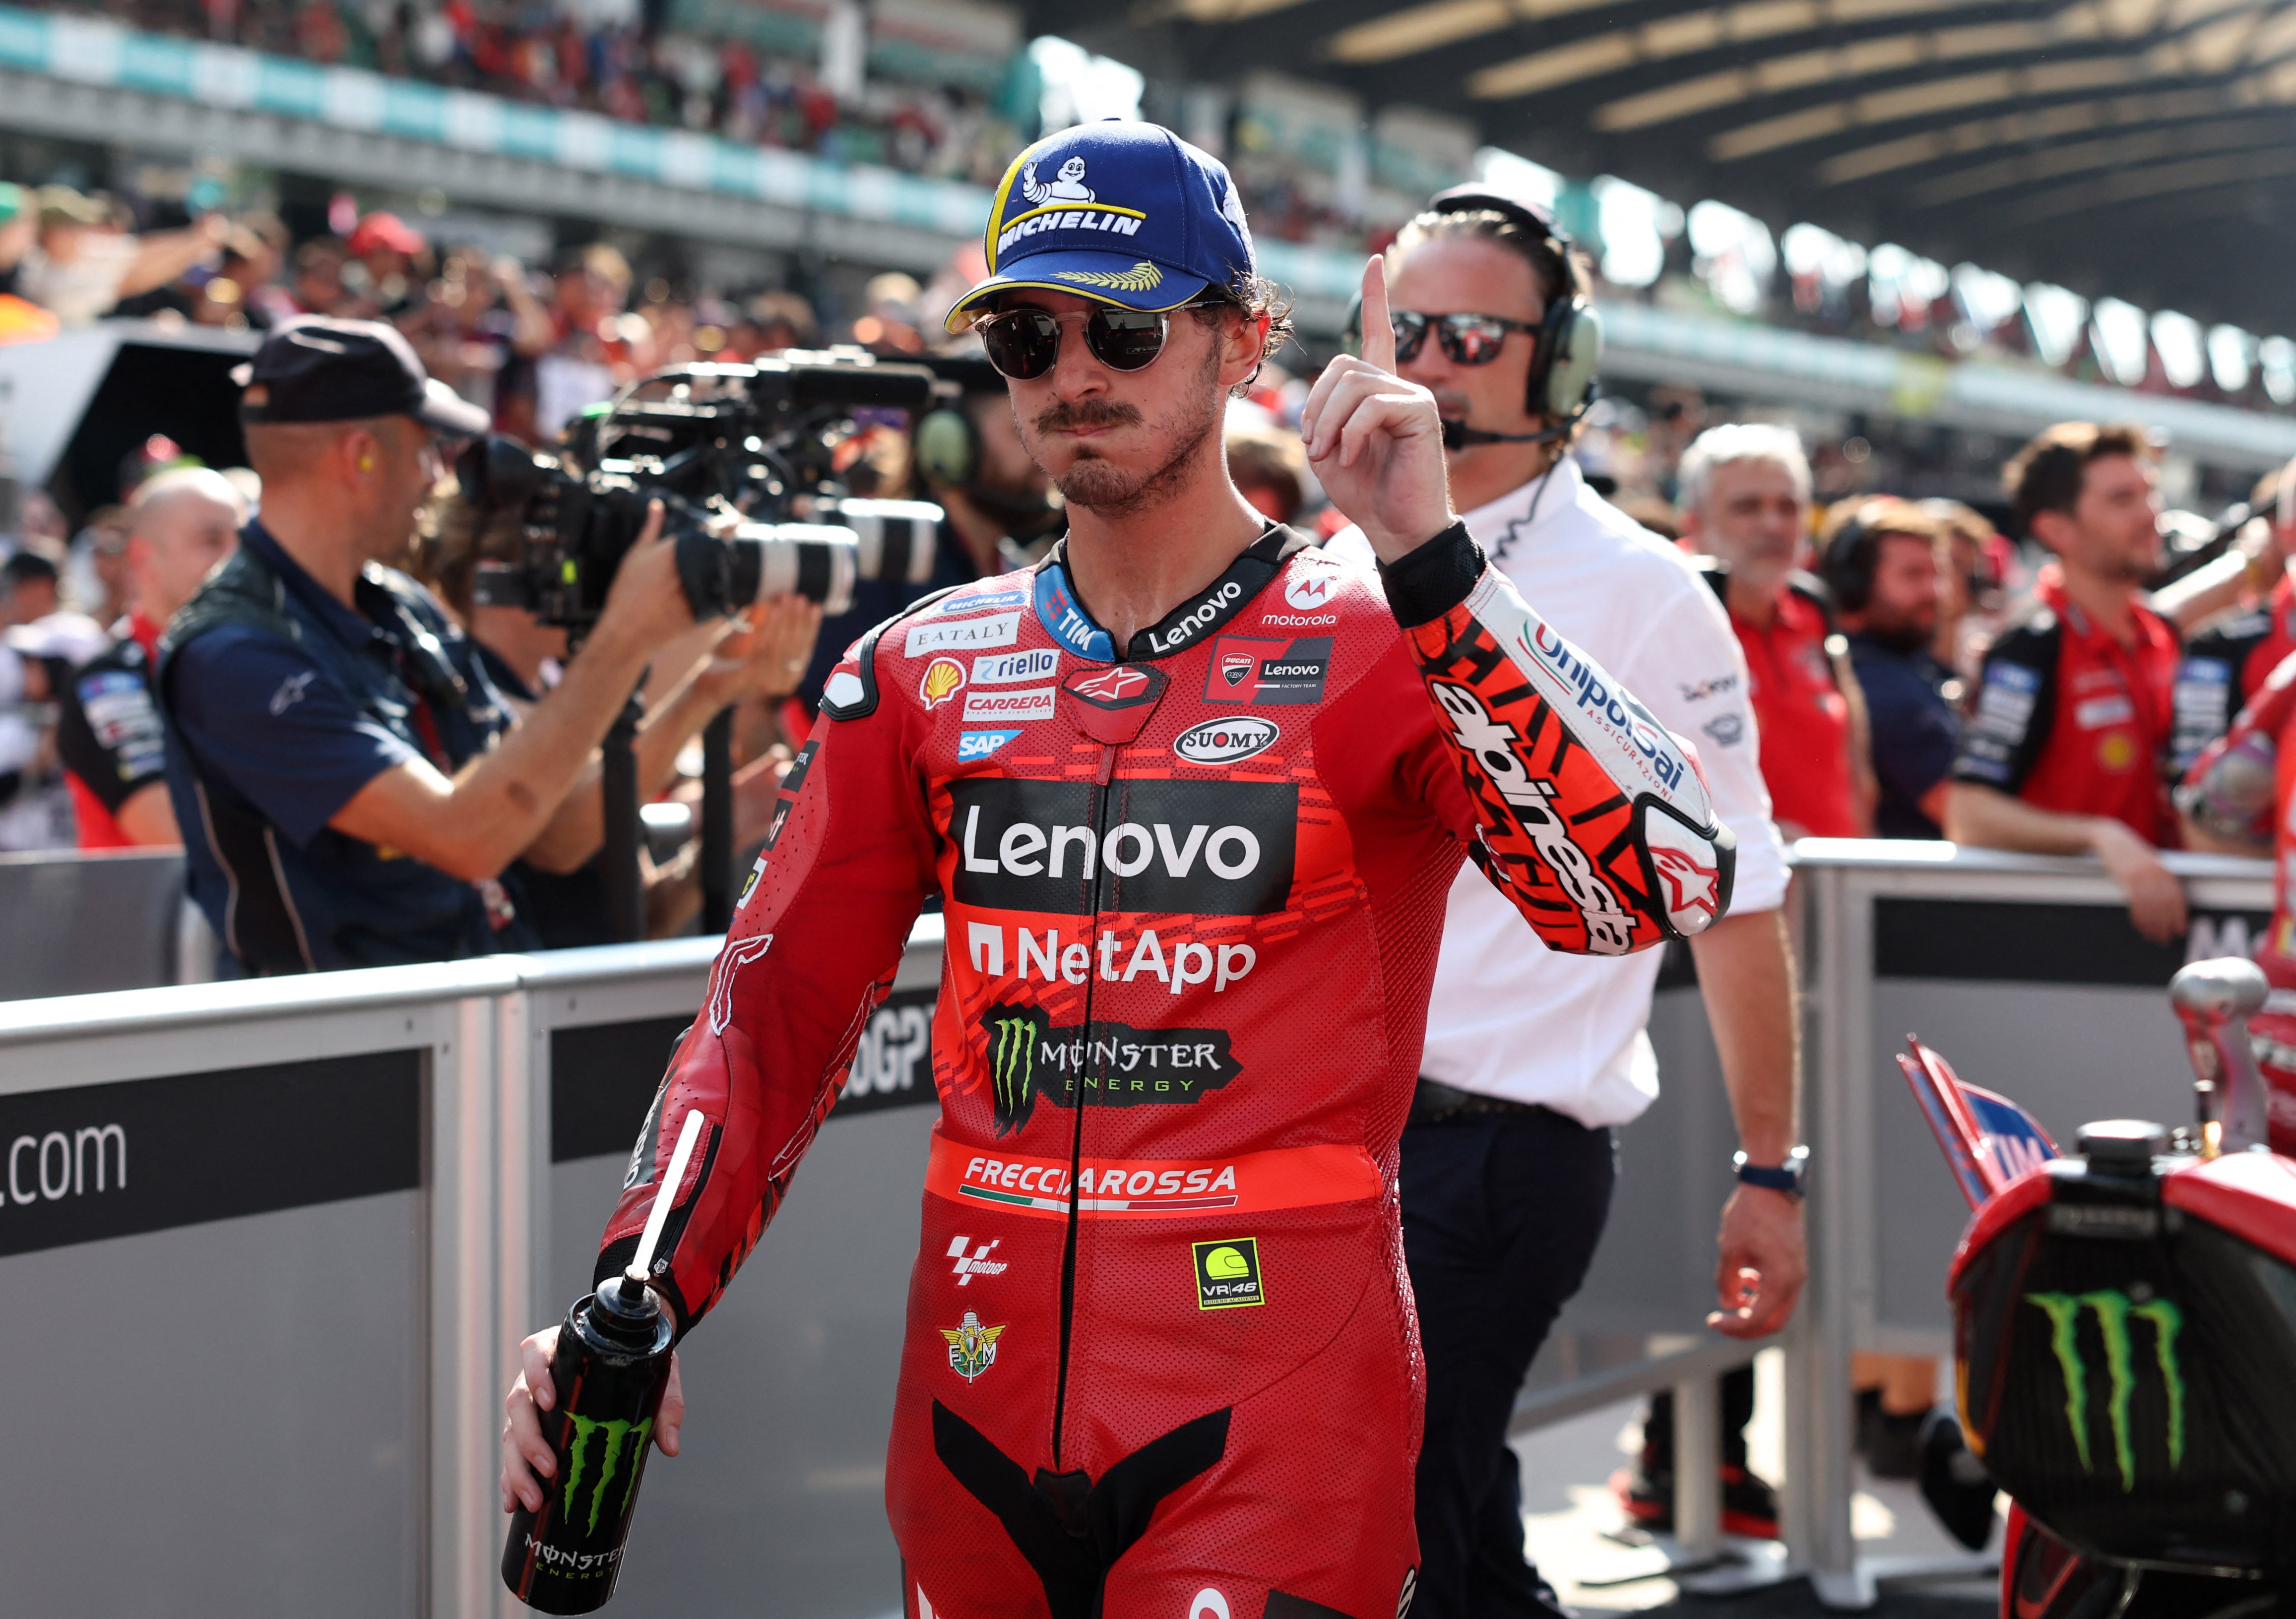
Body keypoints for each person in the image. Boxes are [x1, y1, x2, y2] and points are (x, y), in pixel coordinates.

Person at [499, 120, 1734, 1619]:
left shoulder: (1383, 634)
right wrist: (641, 1282)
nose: (1074, 372)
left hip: (1278, 1406)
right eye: (1028, 335)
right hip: (970, 1406)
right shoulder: (922, 668)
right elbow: (771, 1014)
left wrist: (1433, 562)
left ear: (1243, 340)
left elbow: (1651, 888)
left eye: (1126, 327)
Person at [1323, 185, 1802, 1613]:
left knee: (1385, 1536)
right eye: (1406, 329)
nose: (1429, 363)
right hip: (1331, 1145)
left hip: (1490, 1159)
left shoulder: (1647, 590)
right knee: (1453, 1542)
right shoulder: (1322, 564)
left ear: (1565, 365)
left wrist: (1770, 1174)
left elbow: (1738, 898)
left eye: (1471, 337)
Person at [155, 315, 698, 974]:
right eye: (426, 450)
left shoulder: (401, 605)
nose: (435, 477)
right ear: (360, 456)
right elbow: (466, 837)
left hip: (475, 1015)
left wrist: (708, 683)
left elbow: (548, 832)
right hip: (352, 1035)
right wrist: (624, 634)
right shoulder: (235, 655)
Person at [1947, 423, 2185, 943]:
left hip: (2162, 929)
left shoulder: (2158, 632)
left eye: (2149, 493)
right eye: (2122, 500)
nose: (2150, 513)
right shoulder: (2032, 644)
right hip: (2058, 943)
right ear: (2057, 531)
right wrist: (2098, 837)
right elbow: (1969, 814)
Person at [1677, 424, 1873, 840]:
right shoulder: (1662, 611)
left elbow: (1855, 765)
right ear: (1695, 521)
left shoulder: (1812, 606)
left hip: (1833, 871)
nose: (1773, 524)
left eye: (1789, 507)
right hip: (1727, 876)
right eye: (1747, 507)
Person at [54, 466, 246, 848]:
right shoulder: (110, 681)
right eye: (211, 541)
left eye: (243, 541)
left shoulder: (252, 663)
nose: (236, 559)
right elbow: (179, 834)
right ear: (143, 556)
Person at [1818, 498, 1963, 839]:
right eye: (1913, 575)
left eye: (1937, 574)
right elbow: (1969, 817)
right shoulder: (1882, 689)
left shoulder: (1903, 663)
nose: (1934, 592)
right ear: (1854, 584)